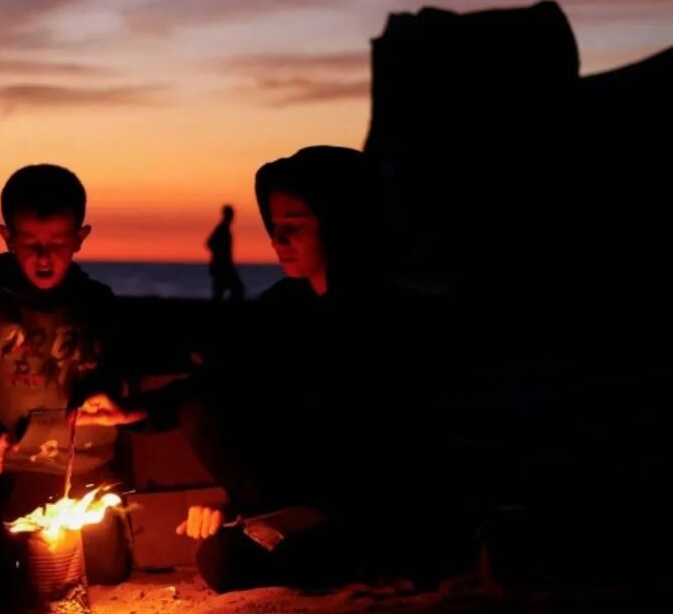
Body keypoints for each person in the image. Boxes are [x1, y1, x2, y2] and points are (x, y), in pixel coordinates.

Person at [80, 146, 459, 592]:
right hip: (289, 505)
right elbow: (218, 384)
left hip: (368, 505)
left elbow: (395, 450)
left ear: (342, 225)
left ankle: (343, 552)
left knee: (239, 558)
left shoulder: (394, 322)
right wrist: (128, 410)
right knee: (217, 539)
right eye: (273, 227)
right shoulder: (282, 307)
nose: (277, 241)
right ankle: (270, 532)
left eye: (293, 228)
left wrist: (298, 509)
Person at [0, 164, 131, 598]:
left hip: (90, 472)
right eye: (31, 243)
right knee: (23, 569)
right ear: (6, 237)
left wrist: (112, 395)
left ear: (81, 236)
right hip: (22, 473)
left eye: (58, 243)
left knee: (107, 567)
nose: (44, 256)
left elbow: (120, 374)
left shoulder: (98, 305)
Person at [207, 204, 246, 301]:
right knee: (236, 289)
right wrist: (220, 256)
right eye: (231, 214)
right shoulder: (222, 229)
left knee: (225, 291)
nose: (232, 217)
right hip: (222, 266)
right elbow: (210, 243)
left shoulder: (224, 229)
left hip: (223, 265)